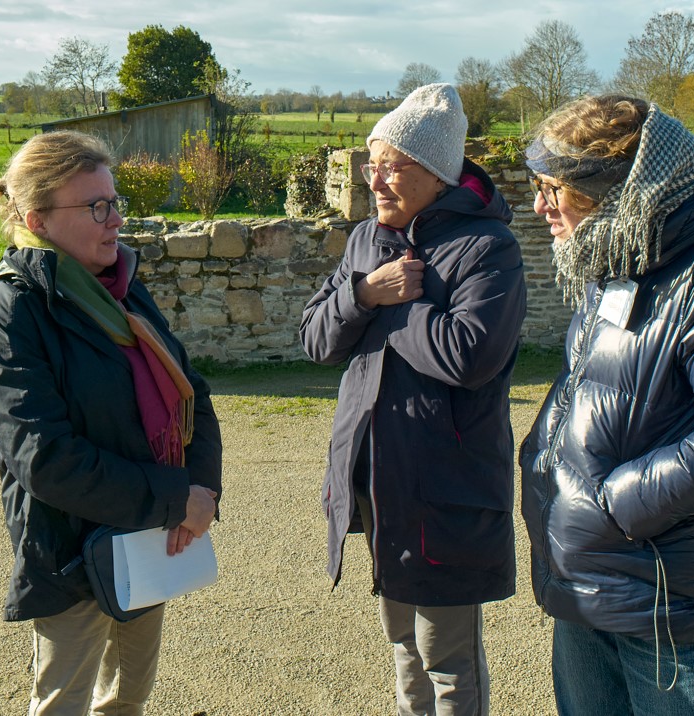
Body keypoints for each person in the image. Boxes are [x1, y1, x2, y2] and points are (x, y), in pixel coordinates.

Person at [518, 95, 694, 715]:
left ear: (612, 190)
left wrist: (614, 504)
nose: (539, 206)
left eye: (552, 189)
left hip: (657, 586)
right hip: (588, 568)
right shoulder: (619, 249)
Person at [0, 130, 222, 716]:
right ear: (38, 219)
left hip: (149, 536)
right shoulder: (9, 313)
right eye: (96, 207)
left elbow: (193, 394)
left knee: (127, 697)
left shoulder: (121, 289)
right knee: (64, 705)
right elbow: (45, 459)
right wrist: (173, 498)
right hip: (73, 553)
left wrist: (201, 490)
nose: (116, 220)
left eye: (114, 202)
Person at [300, 83, 527, 715]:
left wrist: (396, 308)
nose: (375, 181)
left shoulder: (489, 249)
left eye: (392, 167)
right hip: (380, 482)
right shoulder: (367, 241)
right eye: (371, 165)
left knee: (447, 660)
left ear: (436, 173)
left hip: (445, 491)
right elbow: (315, 340)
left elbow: (467, 357)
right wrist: (364, 295)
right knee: (403, 644)